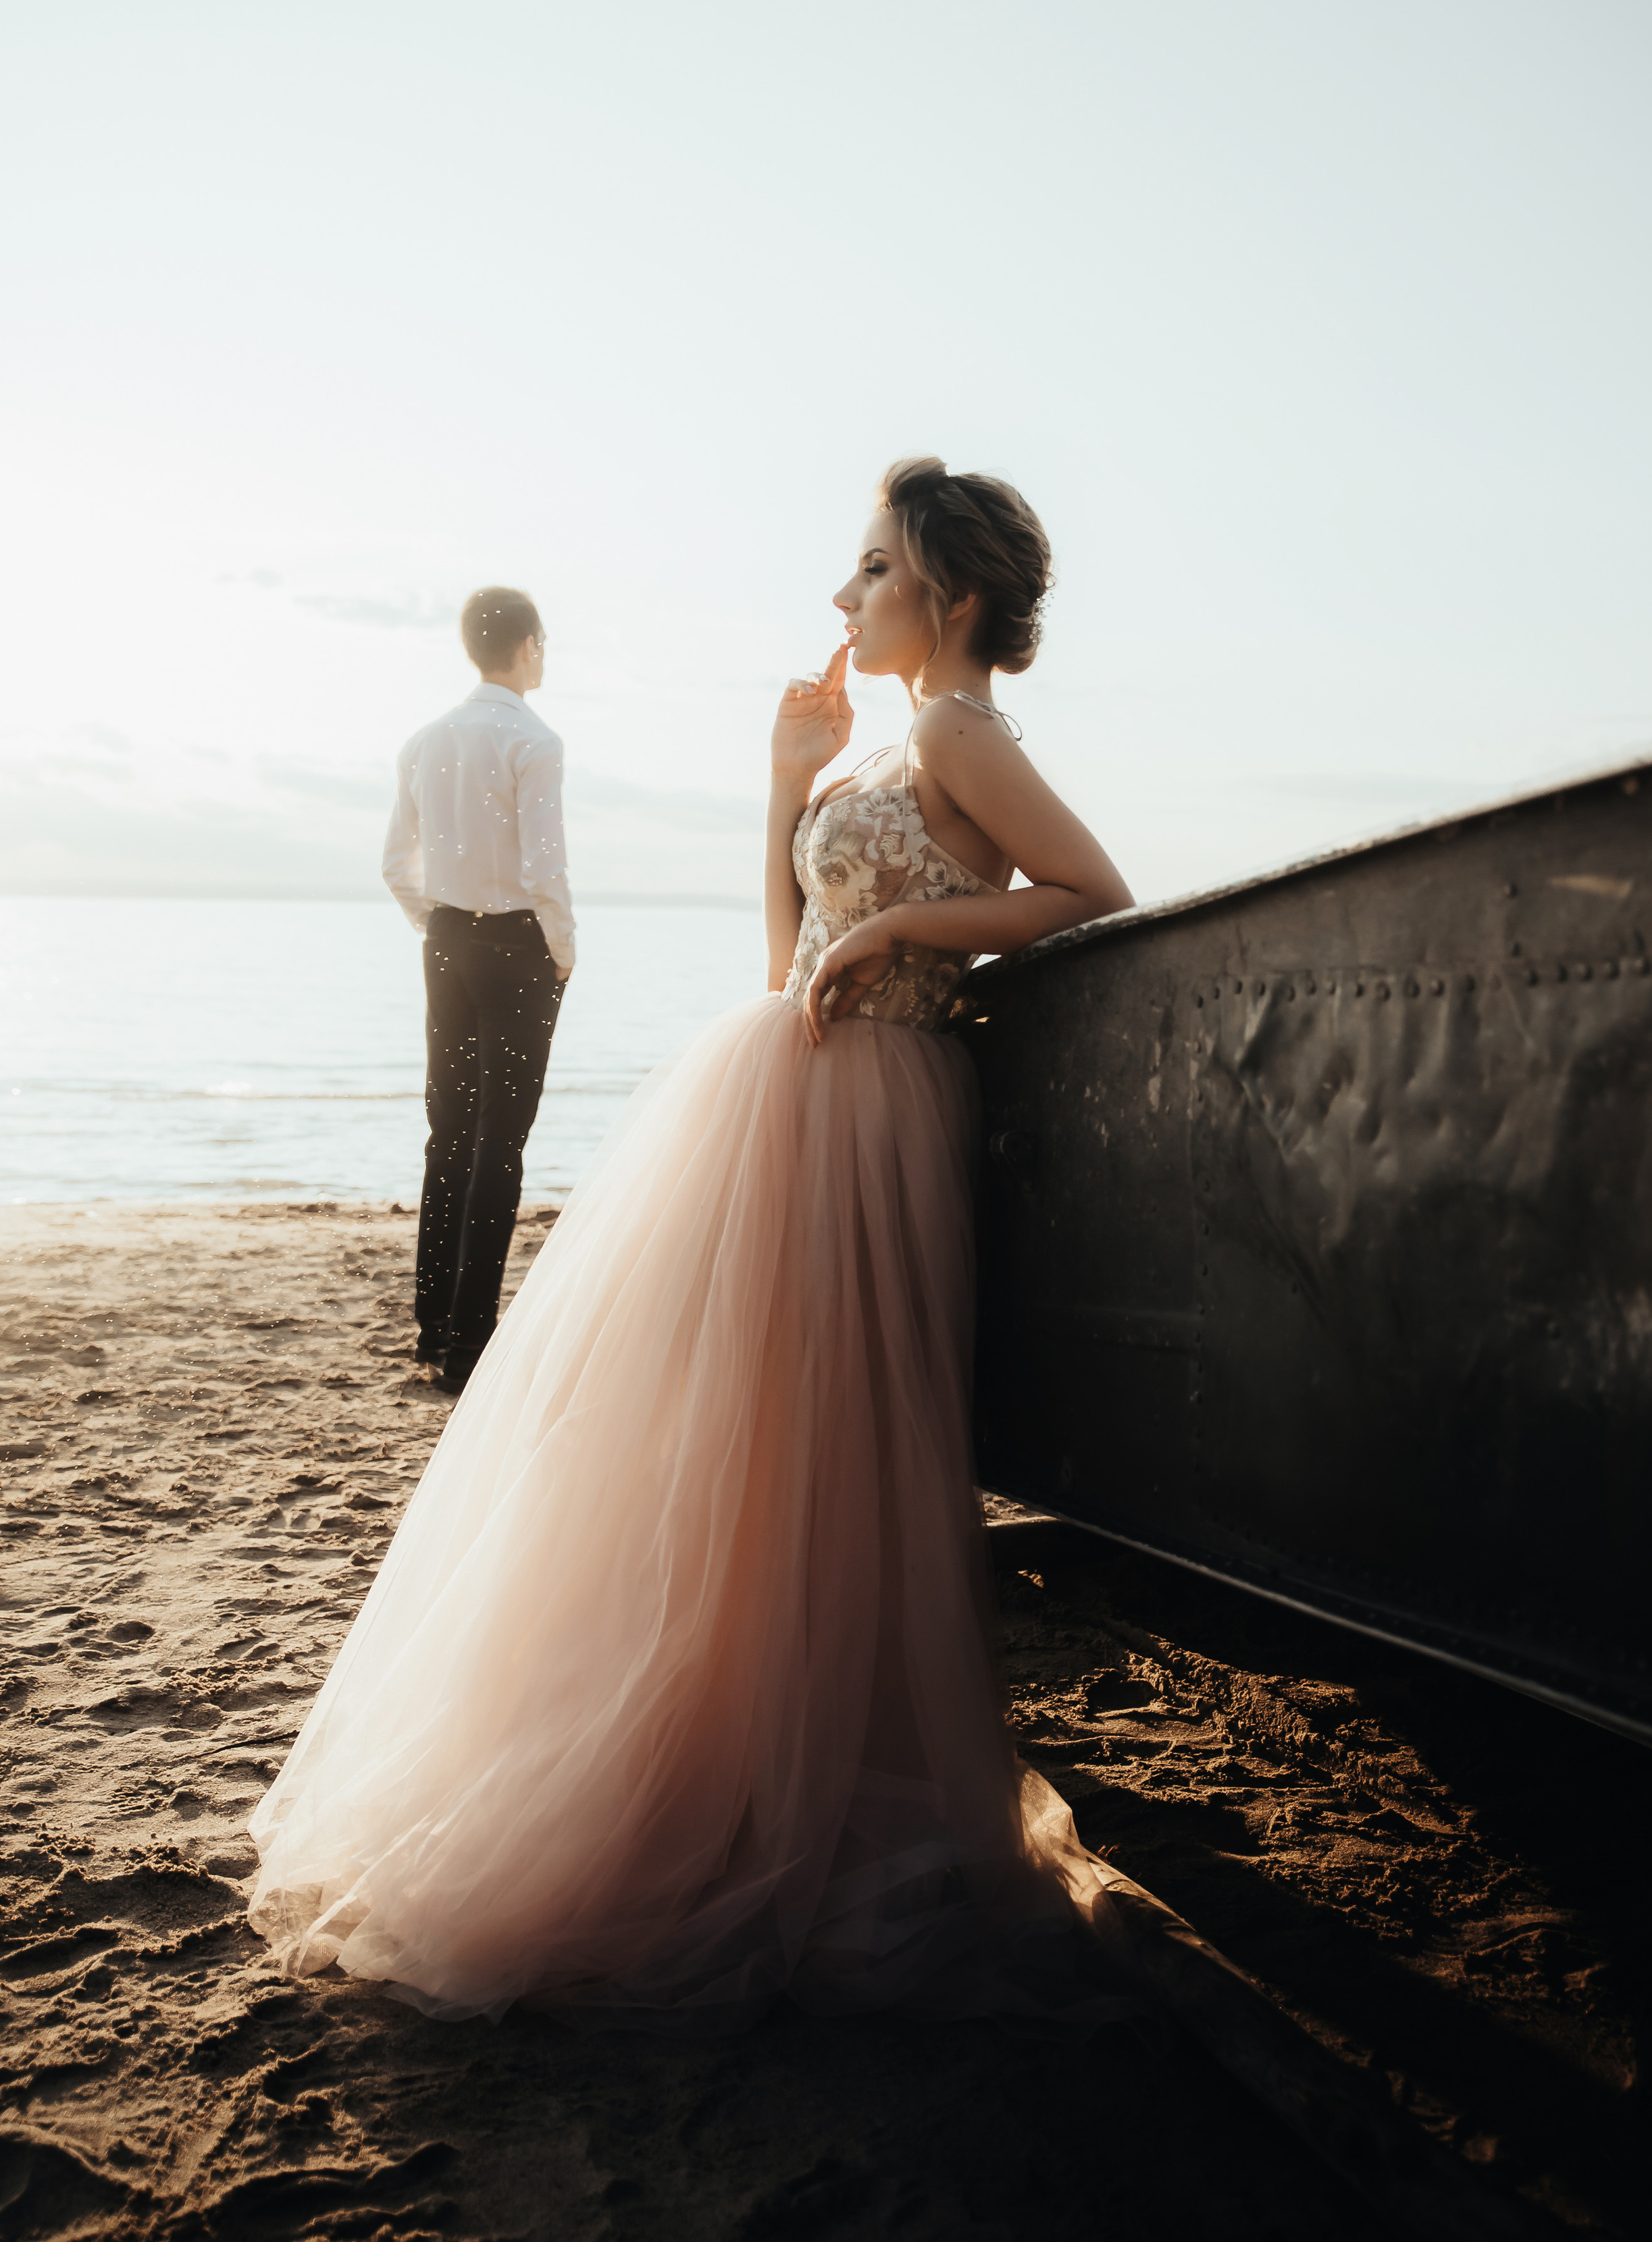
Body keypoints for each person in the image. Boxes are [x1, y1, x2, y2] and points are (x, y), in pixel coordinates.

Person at [250, 461, 1140, 2029]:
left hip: (876, 1115)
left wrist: (898, 930)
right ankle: (730, 1750)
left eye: (870, 568)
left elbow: (1090, 889)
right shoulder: (881, 738)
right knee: (746, 1439)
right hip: (801, 1106)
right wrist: (785, 785)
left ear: (955, 601)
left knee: (825, 1441)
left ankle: (807, 1762)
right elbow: (783, 961)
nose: (842, 594)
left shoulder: (952, 729)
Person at [382, 586, 575, 1395]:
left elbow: (397, 863)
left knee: (448, 1131)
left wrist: (439, 923)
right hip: (516, 947)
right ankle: (469, 1346)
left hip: (448, 941)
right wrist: (561, 953)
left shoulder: (426, 740)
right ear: (528, 645)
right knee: (501, 1141)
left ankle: (434, 1331)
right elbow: (543, 867)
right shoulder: (533, 740)